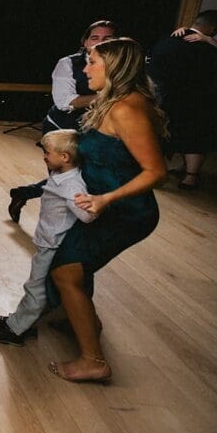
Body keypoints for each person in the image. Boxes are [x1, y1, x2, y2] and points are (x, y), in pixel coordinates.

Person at [48, 38, 167, 383]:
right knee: (77, 263)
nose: (85, 69)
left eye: (93, 62)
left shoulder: (126, 108)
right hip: (102, 204)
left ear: (113, 67)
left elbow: (156, 172)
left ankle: (93, 360)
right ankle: (85, 321)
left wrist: (105, 199)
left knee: (65, 271)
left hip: (126, 211)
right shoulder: (112, 101)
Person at [0, 129, 94, 345]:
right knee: (39, 286)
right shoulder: (61, 176)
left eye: (48, 153)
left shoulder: (71, 185)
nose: (44, 156)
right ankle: (21, 321)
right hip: (47, 240)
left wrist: (92, 205)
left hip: (52, 244)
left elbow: (87, 216)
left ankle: (16, 329)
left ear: (65, 157)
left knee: (36, 287)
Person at [8, 20, 119, 221]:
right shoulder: (68, 64)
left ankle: (24, 193)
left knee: (86, 177)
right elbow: (64, 102)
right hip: (62, 129)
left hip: (97, 132)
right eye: (95, 38)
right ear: (85, 41)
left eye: (107, 39)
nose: (100, 43)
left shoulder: (121, 68)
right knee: (63, 179)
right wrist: (108, 97)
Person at [149, 10, 217, 190]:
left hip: (164, 96)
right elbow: (215, 74)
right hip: (196, 99)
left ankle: (157, 173)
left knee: (162, 135)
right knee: (195, 136)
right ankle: (190, 177)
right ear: (214, 27)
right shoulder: (209, 48)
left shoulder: (167, 40)